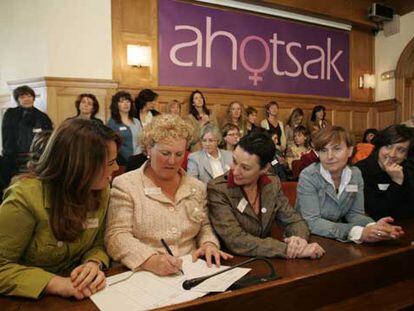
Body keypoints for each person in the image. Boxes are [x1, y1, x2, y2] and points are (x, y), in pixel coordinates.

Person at [0, 119, 120, 299]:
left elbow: (98, 243)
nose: (117, 168)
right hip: (29, 299)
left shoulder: (101, 190)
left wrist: (93, 263)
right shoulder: (24, 199)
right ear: (81, 166)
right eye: (110, 163)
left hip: (81, 293)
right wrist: (55, 283)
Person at [105, 114, 231, 276]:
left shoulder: (196, 187)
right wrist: (150, 260)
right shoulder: (126, 185)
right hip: (144, 274)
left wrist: (209, 244)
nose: (172, 161)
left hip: (192, 271)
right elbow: (116, 236)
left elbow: (204, 227)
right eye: (165, 153)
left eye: (179, 154)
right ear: (149, 149)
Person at [208, 132, 325, 259]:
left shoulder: (272, 183)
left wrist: (299, 241)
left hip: (268, 261)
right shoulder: (218, 189)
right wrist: (288, 250)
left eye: (245, 168)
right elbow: (236, 240)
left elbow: (294, 220)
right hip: (233, 263)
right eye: (234, 162)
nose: (235, 171)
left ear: (264, 169)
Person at [296, 126, 404, 243]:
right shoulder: (308, 176)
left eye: (336, 149)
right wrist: (357, 232)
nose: (329, 156)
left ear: (350, 151)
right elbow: (312, 222)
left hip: (337, 237)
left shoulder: (355, 174)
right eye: (323, 150)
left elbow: (354, 214)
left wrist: (375, 227)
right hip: (305, 238)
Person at [356, 125, 414, 220]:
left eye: (401, 150)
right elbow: (378, 213)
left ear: (406, 155)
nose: (392, 154)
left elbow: (410, 210)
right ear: (379, 147)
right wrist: (396, 182)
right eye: (388, 146)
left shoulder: (408, 169)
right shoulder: (361, 170)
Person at [1, 85, 53, 186]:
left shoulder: (43, 116)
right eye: (22, 97)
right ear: (17, 100)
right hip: (14, 158)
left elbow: (47, 137)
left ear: (33, 97)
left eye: (29, 96)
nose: (26, 99)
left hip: (37, 158)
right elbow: (6, 137)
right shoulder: (10, 114)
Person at [107, 91, 142, 166]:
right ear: (116, 105)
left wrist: (137, 156)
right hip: (121, 162)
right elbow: (112, 143)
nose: (126, 104)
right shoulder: (112, 123)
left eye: (128, 101)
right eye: (122, 102)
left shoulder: (136, 121)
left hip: (137, 160)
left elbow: (141, 140)